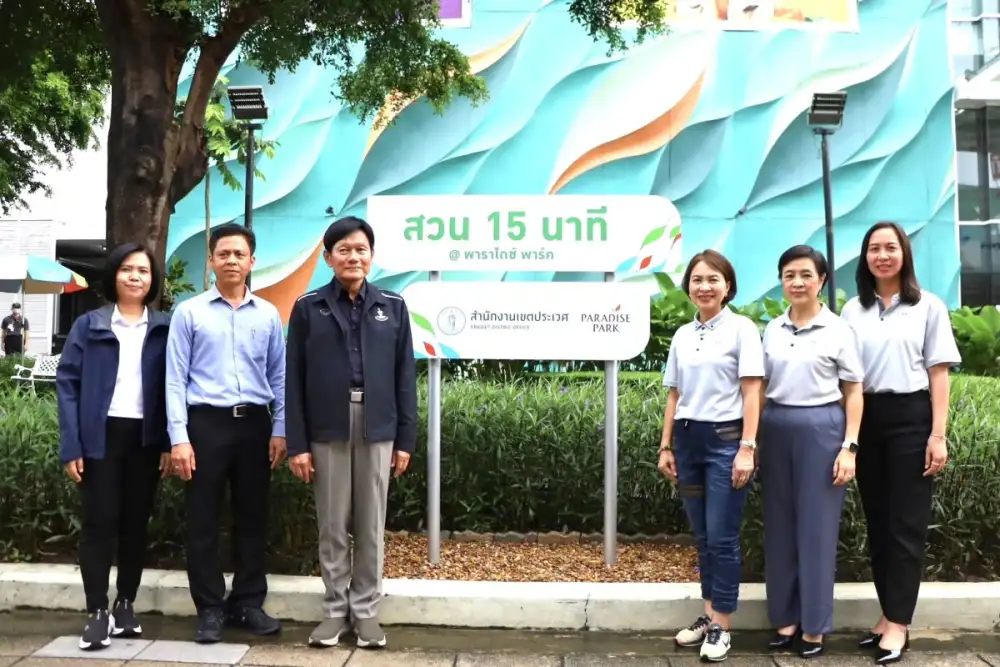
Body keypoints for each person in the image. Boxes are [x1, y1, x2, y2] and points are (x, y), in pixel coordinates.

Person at [285, 216, 417, 650]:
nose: (353, 256)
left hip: (378, 423)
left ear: (371, 256)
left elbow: (405, 377)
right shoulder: (308, 307)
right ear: (328, 258)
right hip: (327, 424)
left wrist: (405, 439)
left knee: (371, 523)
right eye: (343, 250)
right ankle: (333, 612)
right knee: (332, 523)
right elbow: (294, 379)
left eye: (361, 249)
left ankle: (366, 612)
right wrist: (298, 444)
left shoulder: (392, 307)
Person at [840, 222, 961, 665]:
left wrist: (937, 435)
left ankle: (899, 623)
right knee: (878, 522)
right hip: (867, 417)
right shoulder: (853, 310)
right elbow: (847, 377)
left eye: (890, 247)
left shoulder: (928, 306)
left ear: (904, 254)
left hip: (911, 417)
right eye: (874, 248)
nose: (882, 255)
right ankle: (887, 613)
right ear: (865, 257)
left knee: (906, 525)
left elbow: (938, 373)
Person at [165, 224, 287, 644]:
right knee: (202, 518)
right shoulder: (189, 313)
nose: (232, 260)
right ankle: (210, 608)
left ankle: (248, 602)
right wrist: (179, 438)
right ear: (211, 260)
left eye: (239, 254)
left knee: (253, 516)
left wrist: (281, 428)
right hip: (205, 425)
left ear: (252, 261)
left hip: (255, 425)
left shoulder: (268, 314)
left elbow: (279, 376)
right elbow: (174, 379)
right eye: (224, 254)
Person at [55, 243, 172, 651]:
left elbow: (175, 386)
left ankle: (125, 604)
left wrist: (168, 441)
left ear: (152, 279)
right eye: (126, 269)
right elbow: (68, 385)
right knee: (99, 522)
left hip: (146, 437)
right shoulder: (89, 325)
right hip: (100, 436)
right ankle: (96, 611)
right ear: (113, 275)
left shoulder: (164, 327)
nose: (135, 276)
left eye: (143, 270)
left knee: (136, 522)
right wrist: (72, 445)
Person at [658, 250, 764, 662]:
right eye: (697, 280)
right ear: (688, 287)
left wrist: (747, 448)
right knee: (702, 537)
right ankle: (708, 616)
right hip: (688, 441)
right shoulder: (683, 335)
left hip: (726, 441)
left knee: (722, 536)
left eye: (713, 279)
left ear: (727, 286)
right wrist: (666, 446)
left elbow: (752, 392)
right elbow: (674, 394)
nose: (704, 287)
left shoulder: (742, 329)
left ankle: (722, 625)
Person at [759, 245, 864, 659]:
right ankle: (785, 619)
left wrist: (849, 447)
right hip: (775, 426)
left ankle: (815, 626)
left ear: (821, 280)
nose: (797, 282)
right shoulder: (772, 328)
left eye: (806, 274)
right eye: (789, 275)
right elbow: (760, 387)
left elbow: (853, 391)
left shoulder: (838, 329)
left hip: (823, 429)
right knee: (779, 526)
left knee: (817, 530)